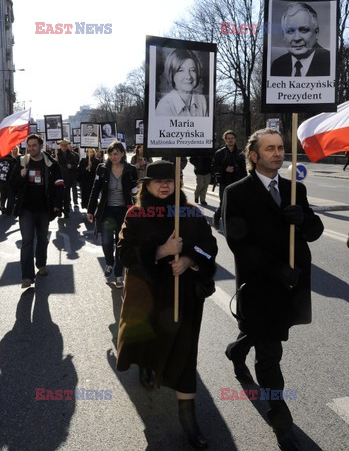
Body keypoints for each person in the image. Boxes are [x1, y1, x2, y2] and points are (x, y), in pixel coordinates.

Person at [222, 128, 324, 451]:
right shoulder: (236, 192)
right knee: (270, 356)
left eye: (280, 148)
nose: (278, 153)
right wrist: (275, 269)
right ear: (253, 156)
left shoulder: (296, 189)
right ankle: (281, 419)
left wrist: (303, 218)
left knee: (261, 336)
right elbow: (238, 243)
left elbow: (315, 230)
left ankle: (236, 350)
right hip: (260, 286)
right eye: (270, 149)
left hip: (291, 286)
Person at [116, 160, 217, 448]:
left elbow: (208, 248)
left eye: (170, 181)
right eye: (157, 181)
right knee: (148, 345)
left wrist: (189, 259)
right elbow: (125, 254)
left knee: (185, 356)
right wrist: (161, 251)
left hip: (183, 299)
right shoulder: (136, 214)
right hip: (147, 298)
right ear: (146, 185)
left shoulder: (189, 213)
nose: (164, 185)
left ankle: (188, 419)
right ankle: (147, 366)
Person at [10, 134, 64, 288]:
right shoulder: (21, 162)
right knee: (27, 241)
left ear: (41, 146)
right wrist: (21, 177)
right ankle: (27, 276)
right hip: (26, 209)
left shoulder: (51, 164)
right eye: (29, 145)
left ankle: (41, 264)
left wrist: (57, 204)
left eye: (34, 145)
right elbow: (12, 186)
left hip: (44, 209)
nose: (31, 148)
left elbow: (59, 185)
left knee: (42, 238)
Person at [87, 141, 138, 288]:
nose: (113, 157)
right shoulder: (102, 169)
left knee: (121, 243)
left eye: (116, 153)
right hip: (107, 211)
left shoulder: (130, 169)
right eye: (110, 154)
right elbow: (95, 190)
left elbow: (135, 191)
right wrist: (90, 210)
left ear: (122, 153)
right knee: (106, 242)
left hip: (124, 211)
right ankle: (109, 262)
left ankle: (118, 274)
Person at [271, 2, 330, 77]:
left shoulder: (330, 61)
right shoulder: (277, 66)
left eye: (304, 30)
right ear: (283, 35)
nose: (297, 38)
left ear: (316, 33)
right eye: (290, 31)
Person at [156, 49, 208, 117]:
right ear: (172, 74)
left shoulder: (201, 100)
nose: (188, 76)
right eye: (181, 70)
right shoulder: (165, 106)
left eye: (192, 70)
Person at [212, 130, 247, 230]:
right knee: (224, 203)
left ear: (235, 139)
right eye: (228, 138)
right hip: (224, 182)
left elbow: (244, 169)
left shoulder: (240, 153)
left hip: (237, 182)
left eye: (232, 138)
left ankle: (232, 225)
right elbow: (213, 167)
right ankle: (217, 216)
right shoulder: (219, 153)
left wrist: (245, 182)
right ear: (225, 140)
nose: (230, 140)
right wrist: (224, 169)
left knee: (236, 204)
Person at [56, 139, 78, 218]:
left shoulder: (71, 155)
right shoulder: (56, 154)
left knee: (66, 196)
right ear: (60, 146)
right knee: (59, 196)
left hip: (68, 178)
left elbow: (75, 166)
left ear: (67, 146)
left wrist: (71, 166)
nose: (64, 147)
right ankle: (59, 211)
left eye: (65, 146)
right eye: (62, 146)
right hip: (59, 178)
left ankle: (66, 211)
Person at [0, 147, 18, 215]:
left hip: (0, 183)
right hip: (9, 183)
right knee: (11, 197)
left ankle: (2, 207)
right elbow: (15, 172)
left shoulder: (0, 160)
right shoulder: (13, 160)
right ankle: (9, 211)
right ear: (11, 152)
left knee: (3, 195)